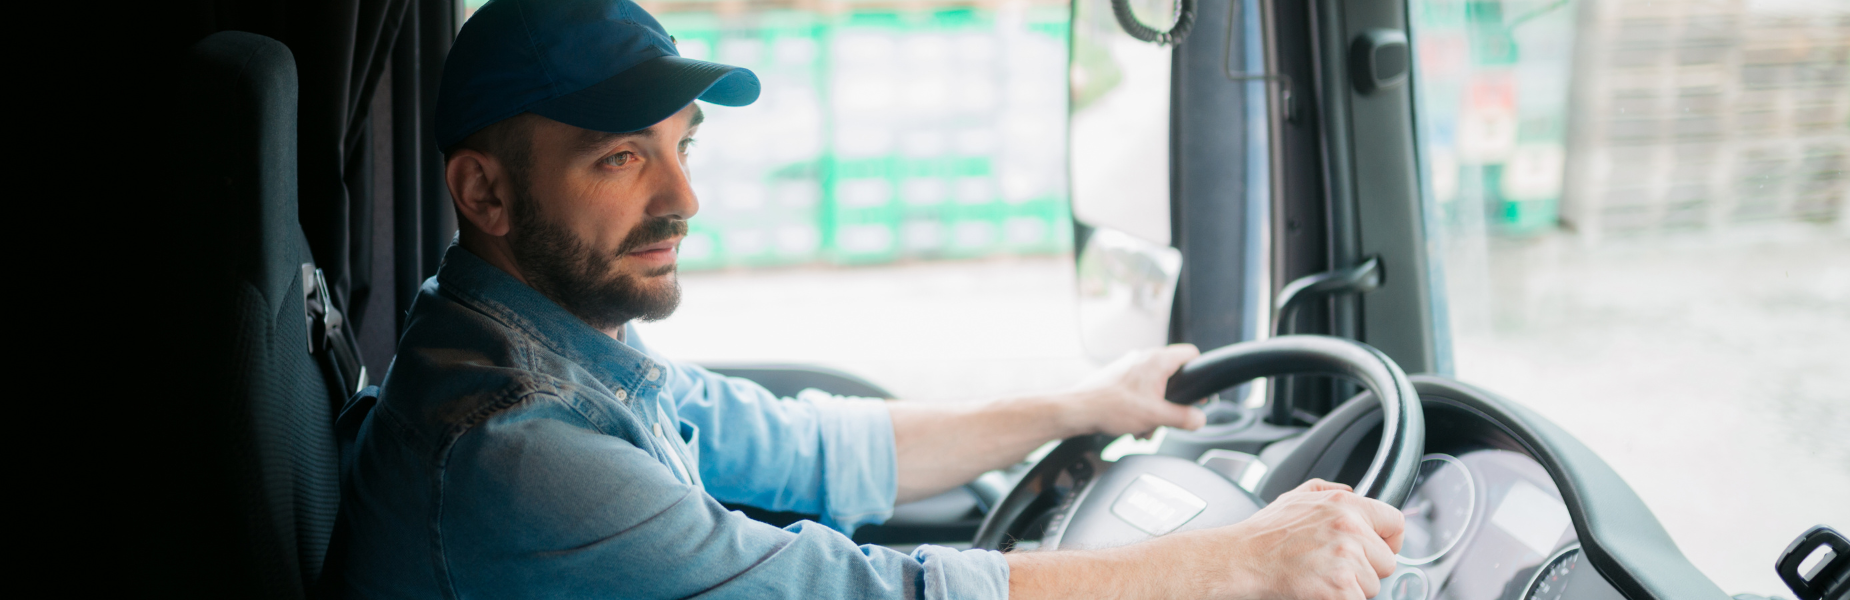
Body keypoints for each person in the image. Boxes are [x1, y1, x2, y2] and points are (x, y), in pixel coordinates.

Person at [336, 0, 1405, 598]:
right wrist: (1238, 561)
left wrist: (1085, 406)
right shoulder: (512, 445)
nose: (685, 199)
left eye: (684, 148)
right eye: (622, 160)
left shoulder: (547, 352)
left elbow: (811, 447)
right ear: (484, 191)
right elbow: (863, 596)